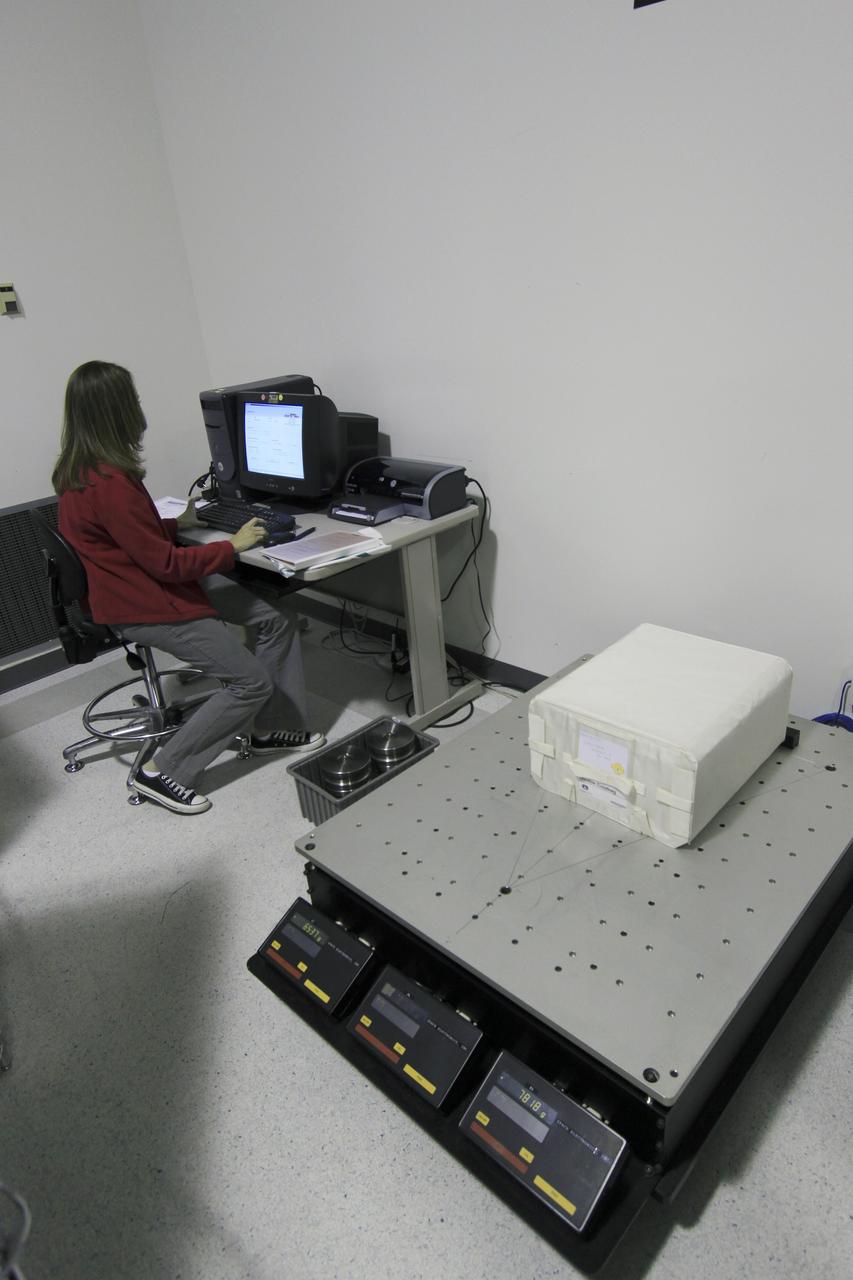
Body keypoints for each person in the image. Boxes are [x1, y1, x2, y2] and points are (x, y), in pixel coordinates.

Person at [53, 360, 324, 815]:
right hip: (144, 603)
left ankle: (269, 729)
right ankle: (164, 771)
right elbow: (165, 564)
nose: (140, 407)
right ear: (117, 411)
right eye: (133, 399)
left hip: (134, 585)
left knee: (273, 620)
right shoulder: (111, 483)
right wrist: (233, 546)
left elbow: (124, 537)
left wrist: (178, 522)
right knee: (248, 682)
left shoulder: (80, 470)